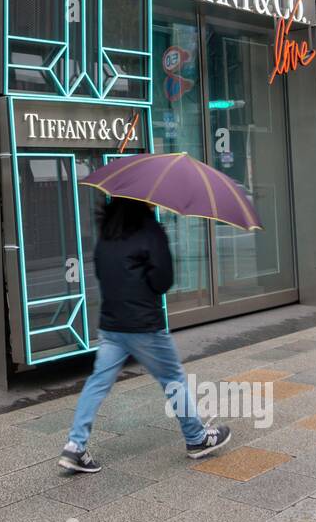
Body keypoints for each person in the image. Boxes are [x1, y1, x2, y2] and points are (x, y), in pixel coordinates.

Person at [58, 197, 231, 473]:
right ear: (142, 204)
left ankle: (75, 447)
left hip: (112, 326)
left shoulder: (107, 234)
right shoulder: (150, 231)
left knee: (98, 383)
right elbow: (163, 281)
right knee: (173, 378)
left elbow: (102, 273)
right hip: (145, 326)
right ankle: (197, 439)